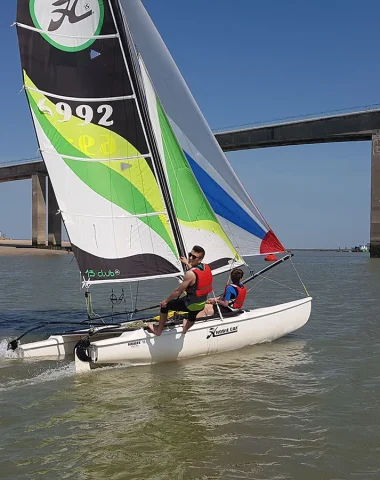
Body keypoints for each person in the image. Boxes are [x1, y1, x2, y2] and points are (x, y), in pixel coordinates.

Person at [147, 245, 213, 336]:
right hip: (201, 304)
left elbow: (178, 291)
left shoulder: (190, 274)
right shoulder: (206, 267)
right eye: (190, 254)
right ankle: (185, 329)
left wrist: (165, 301)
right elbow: (196, 272)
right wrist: (187, 263)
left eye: (194, 257)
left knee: (165, 306)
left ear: (200, 259)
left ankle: (158, 330)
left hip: (191, 304)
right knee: (192, 315)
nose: (190, 257)